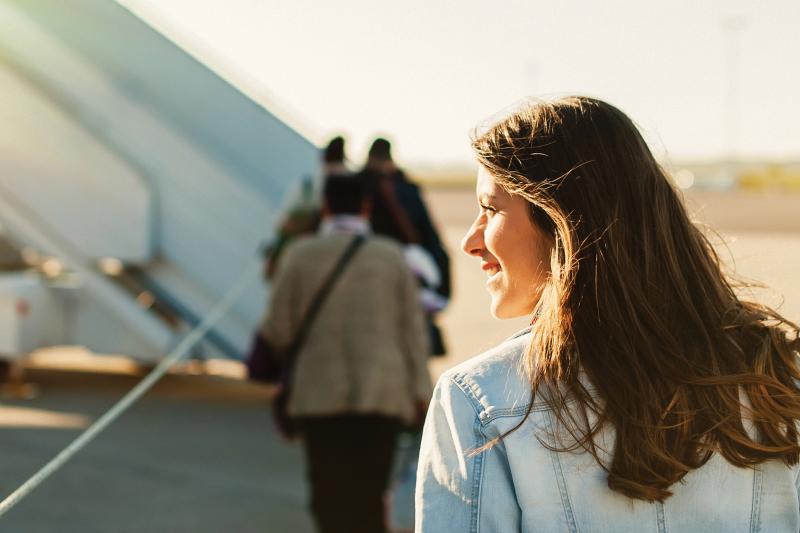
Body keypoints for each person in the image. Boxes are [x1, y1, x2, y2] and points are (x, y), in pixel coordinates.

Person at [415, 96, 800, 531]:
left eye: (490, 209)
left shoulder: (482, 401)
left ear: (562, 219)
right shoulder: (780, 379)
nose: (471, 240)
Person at [261, 174, 432, 533]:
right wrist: (421, 392)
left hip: (319, 396)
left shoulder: (299, 255)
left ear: (325, 206)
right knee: (369, 496)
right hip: (382, 394)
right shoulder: (391, 256)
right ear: (366, 207)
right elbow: (413, 334)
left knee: (328, 496)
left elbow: (277, 329)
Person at [358, 138, 451, 355]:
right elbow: (432, 241)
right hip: (409, 283)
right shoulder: (406, 191)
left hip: (365, 284)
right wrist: (440, 293)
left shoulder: (354, 189)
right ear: (390, 159)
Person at [264, 136, 349, 278]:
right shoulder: (349, 189)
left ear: (323, 157)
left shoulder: (306, 185)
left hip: (294, 254)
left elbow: (283, 223)